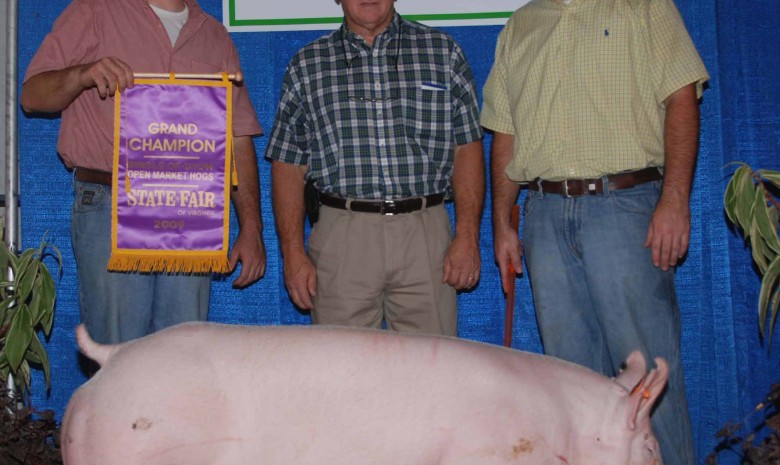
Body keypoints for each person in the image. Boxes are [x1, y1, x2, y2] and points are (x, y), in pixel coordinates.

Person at [481, 0, 708, 463]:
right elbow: (505, 134)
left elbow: (681, 97)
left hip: (624, 205)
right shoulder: (521, 24)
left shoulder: (643, 7)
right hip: (543, 213)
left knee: (649, 377)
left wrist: (675, 200)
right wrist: (503, 223)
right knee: (569, 383)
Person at [21, 0, 266, 344]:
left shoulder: (213, 34)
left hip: (190, 208)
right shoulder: (95, 11)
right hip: (111, 201)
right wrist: (82, 74)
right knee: (117, 352)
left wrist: (252, 228)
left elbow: (236, 135)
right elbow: (31, 96)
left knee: (184, 352)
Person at [266, 0, 484, 335]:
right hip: (343, 236)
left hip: (426, 236)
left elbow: (467, 149)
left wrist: (468, 237)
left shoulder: (443, 52)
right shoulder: (307, 65)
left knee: (431, 371)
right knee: (342, 374)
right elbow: (288, 165)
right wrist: (292, 253)